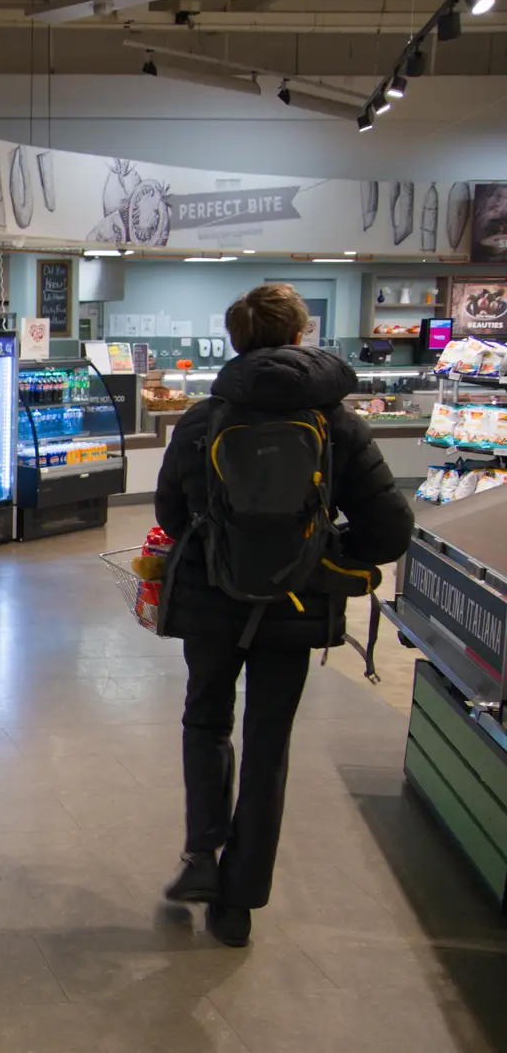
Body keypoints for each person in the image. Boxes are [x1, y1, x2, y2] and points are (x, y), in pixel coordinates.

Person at [154, 284, 413, 947]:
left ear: (235, 340)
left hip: (213, 601)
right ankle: (238, 903)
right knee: (269, 745)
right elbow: (390, 529)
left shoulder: (202, 418)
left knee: (206, 720)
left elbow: (170, 517)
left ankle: (202, 855)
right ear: (300, 336)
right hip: (295, 607)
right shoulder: (338, 423)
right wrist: (322, 554)